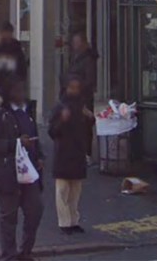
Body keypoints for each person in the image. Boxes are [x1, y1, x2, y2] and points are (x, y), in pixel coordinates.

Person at [0, 76, 44, 261]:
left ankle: (25, 252)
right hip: (5, 173)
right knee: (9, 215)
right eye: (17, 91)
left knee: (35, 210)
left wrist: (39, 157)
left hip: (28, 171)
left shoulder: (26, 112)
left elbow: (34, 137)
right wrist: (15, 143)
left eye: (22, 90)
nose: (21, 94)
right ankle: (9, 255)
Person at [48, 76, 94, 235]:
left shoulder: (81, 106)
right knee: (62, 190)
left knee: (75, 190)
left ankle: (74, 221)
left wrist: (90, 117)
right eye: (72, 87)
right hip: (64, 152)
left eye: (77, 87)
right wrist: (62, 120)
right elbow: (52, 131)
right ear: (66, 88)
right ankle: (64, 222)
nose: (75, 91)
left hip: (78, 151)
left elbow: (88, 127)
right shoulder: (60, 107)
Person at [61, 31, 98, 158]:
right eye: (74, 43)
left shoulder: (88, 59)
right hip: (73, 96)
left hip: (83, 97)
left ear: (83, 44)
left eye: (77, 43)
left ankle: (86, 152)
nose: (75, 45)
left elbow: (90, 79)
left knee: (85, 125)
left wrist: (77, 87)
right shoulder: (76, 57)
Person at [0, 22, 28, 105]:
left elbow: (21, 62)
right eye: (5, 33)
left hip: (13, 80)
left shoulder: (15, 45)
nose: (8, 35)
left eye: (9, 33)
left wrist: (21, 78)